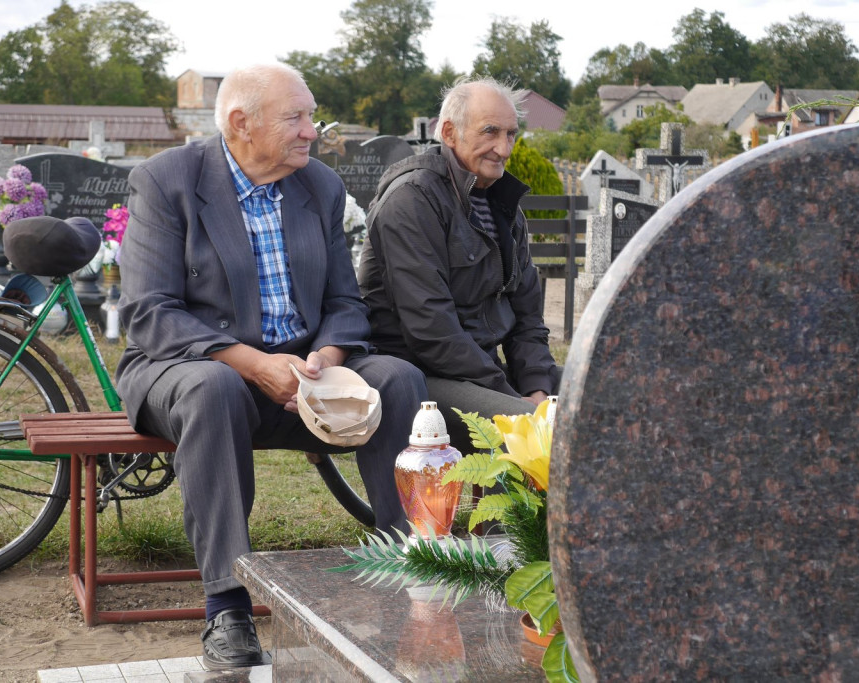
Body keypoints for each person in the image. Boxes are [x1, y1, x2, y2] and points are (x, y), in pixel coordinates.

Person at [115, 63, 426, 670]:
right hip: (188, 370)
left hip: (302, 378)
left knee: (397, 379)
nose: (313, 131)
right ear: (240, 123)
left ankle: (410, 566)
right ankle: (227, 606)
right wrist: (255, 365)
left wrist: (327, 358)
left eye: (312, 116)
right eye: (296, 118)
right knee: (214, 389)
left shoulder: (319, 186)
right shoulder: (167, 180)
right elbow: (149, 313)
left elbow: (345, 302)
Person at [358, 76, 560, 455]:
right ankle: (505, 499)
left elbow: (528, 318)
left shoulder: (503, 204)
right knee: (533, 432)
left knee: (598, 402)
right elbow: (432, 332)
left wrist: (537, 387)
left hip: (480, 370)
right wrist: (509, 394)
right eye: (490, 132)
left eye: (511, 134)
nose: (504, 148)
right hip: (417, 374)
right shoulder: (413, 199)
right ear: (450, 133)